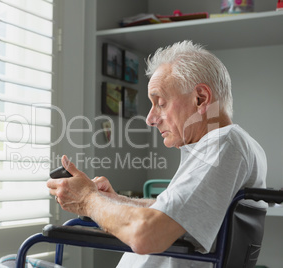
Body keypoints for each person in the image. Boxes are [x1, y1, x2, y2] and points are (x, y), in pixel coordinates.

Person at [47, 40, 267, 267]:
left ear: (200, 98)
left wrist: (87, 200)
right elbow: (175, 214)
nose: (150, 119)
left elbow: (146, 234)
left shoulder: (223, 143)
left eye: (160, 103)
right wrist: (114, 201)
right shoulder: (225, 145)